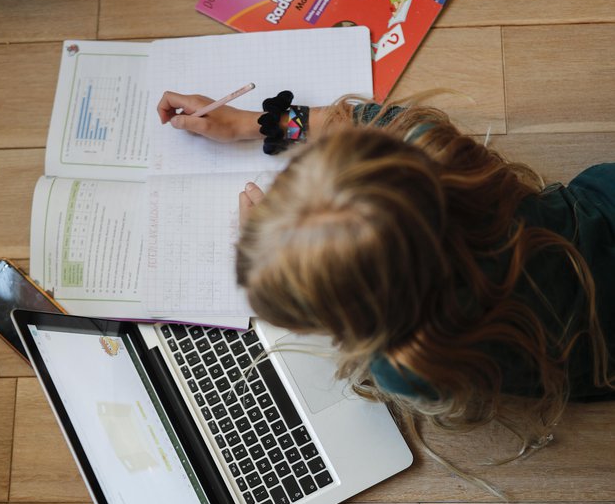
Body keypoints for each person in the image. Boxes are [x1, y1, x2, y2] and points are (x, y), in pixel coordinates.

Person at [157, 89, 615, 467]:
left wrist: (276, 257)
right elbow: (364, 121)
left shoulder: (409, 366)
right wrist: (260, 123)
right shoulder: (438, 152)